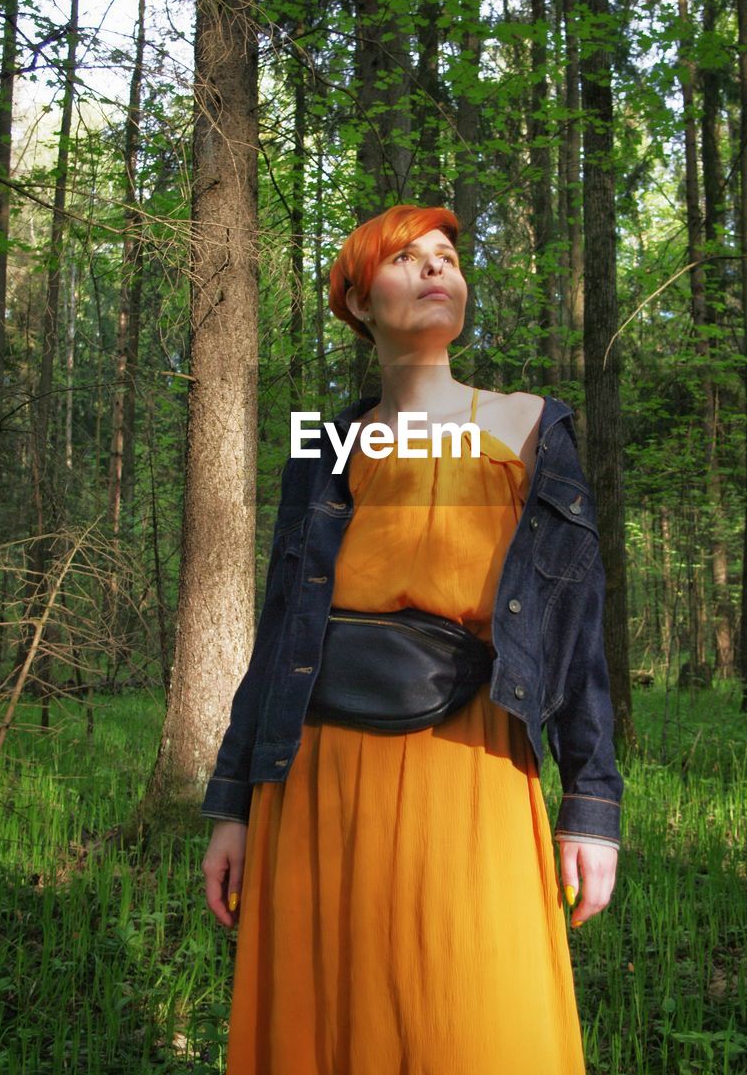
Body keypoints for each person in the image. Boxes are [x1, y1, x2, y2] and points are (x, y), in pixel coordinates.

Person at [201, 204, 622, 1074]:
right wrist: (232, 804)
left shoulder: (528, 424)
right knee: (329, 1020)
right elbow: (281, 625)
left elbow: (576, 629)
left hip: (469, 761)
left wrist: (593, 807)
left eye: (447, 258)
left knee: (470, 1015)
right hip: (314, 776)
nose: (437, 269)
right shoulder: (323, 446)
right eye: (406, 258)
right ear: (357, 301)